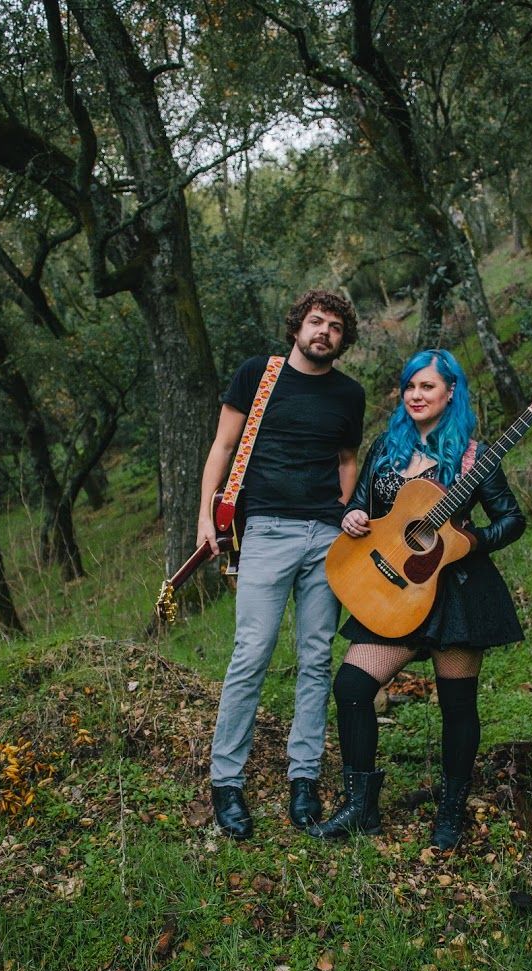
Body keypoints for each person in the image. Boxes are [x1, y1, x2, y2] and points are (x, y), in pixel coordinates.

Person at [307, 348, 526, 850]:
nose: (416, 395)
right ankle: (360, 808)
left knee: (457, 704)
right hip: (394, 590)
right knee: (352, 686)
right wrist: (351, 517)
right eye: (410, 386)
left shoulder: (474, 456)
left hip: (457, 590)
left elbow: (511, 520)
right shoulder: (387, 447)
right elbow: (360, 504)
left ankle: (450, 812)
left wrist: (469, 542)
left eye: (427, 386)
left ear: (451, 392)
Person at [198, 289, 365, 840]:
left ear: (342, 340)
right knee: (252, 652)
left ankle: (304, 777)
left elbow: (347, 460)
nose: (324, 332)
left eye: (335, 327)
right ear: (297, 327)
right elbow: (222, 447)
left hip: (327, 539)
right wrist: (205, 517)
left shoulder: (350, 394)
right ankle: (226, 782)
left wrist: (344, 511)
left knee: (316, 658)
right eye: (316, 321)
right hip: (267, 529)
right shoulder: (258, 374)